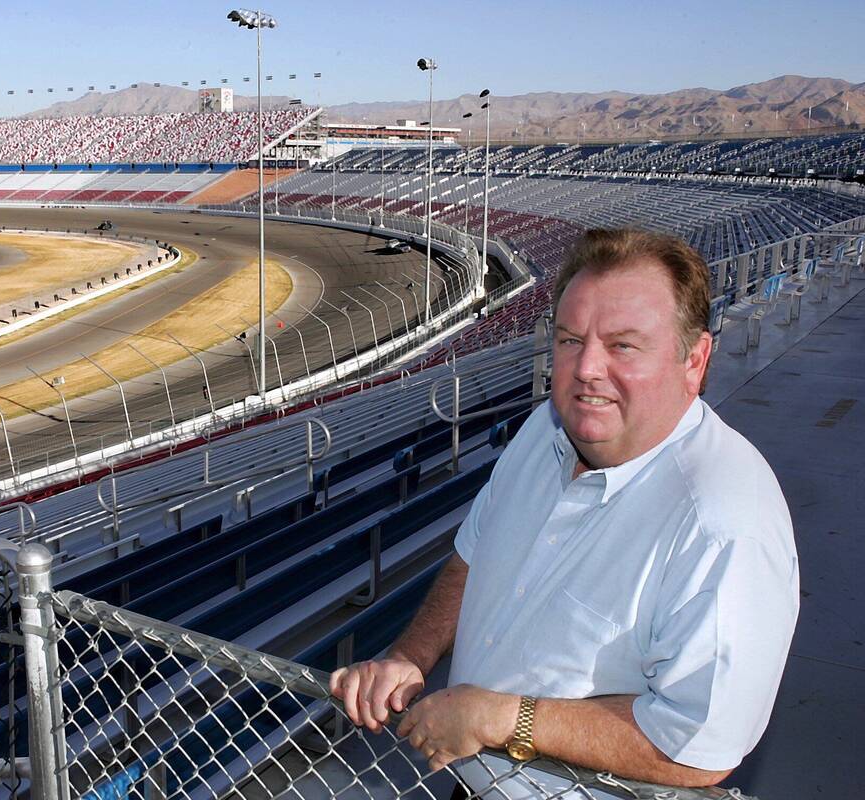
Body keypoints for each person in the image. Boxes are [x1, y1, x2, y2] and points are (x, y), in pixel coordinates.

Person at [330, 228, 799, 793]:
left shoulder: (723, 525)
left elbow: (698, 748)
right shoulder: (543, 430)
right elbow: (474, 558)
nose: (586, 368)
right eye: (571, 339)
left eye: (623, 345)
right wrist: (410, 655)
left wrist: (504, 719)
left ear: (694, 360)